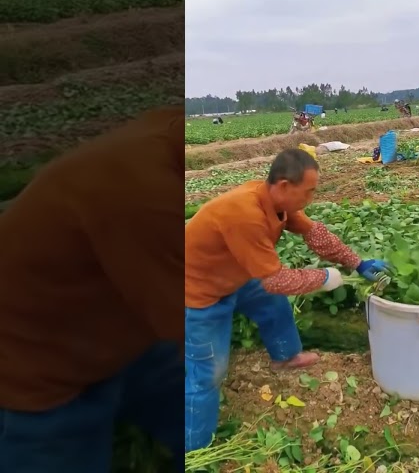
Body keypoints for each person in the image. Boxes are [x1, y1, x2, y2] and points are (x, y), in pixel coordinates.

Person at [0, 107, 185, 472]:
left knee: (186, 403)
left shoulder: (165, 133)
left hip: (121, 332)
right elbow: (187, 315)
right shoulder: (143, 191)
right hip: (40, 363)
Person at [184, 148, 389, 452]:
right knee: (209, 371)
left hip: (237, 274)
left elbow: (315, 234)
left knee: (272, 305)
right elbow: (276, 280)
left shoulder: (275, 202)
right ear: (283, 186)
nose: (311, 198)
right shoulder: (245, 214)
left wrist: (356, 263)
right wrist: (324, 278)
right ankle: (194, 448)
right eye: (309, 192)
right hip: (199, 289)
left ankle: (286, 357)